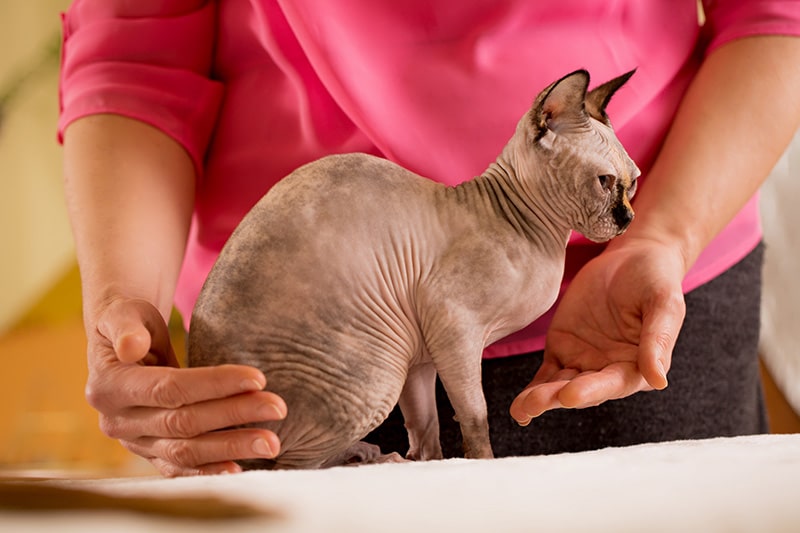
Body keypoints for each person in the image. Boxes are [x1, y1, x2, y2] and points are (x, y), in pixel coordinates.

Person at [59, 1, 800, 477]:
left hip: (643, 299)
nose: (617, 198)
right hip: (300, 344)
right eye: (611, 186)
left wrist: (661, 234)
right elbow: (136, 48)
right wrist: (126, 305)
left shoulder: (619, 208)